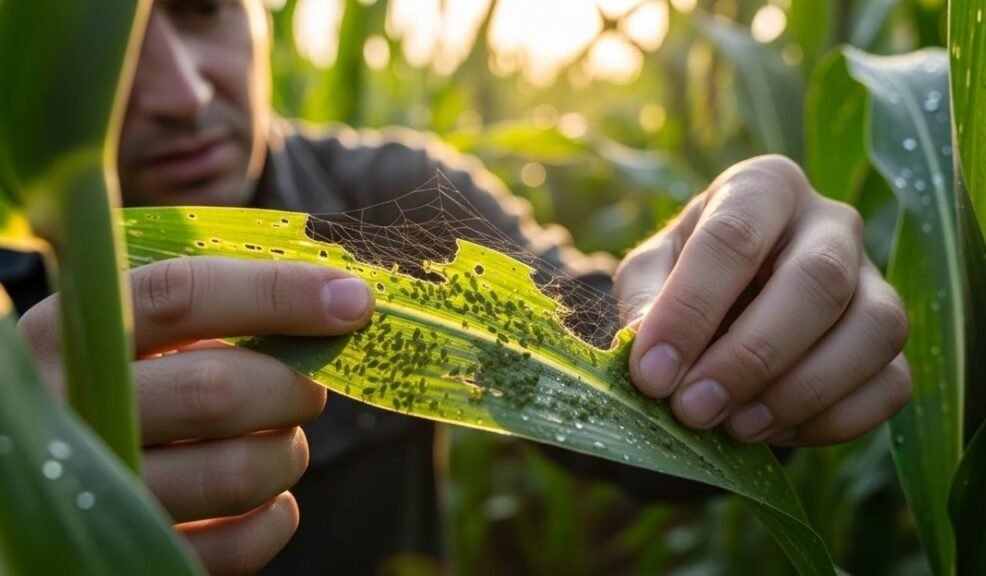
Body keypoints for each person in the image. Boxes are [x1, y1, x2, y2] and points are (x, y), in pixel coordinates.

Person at [2, 0, 911, 573]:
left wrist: (751, 304)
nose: (182, 91)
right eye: (96, 53)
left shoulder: (392, 204)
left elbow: (605, 362)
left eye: (201, 8)